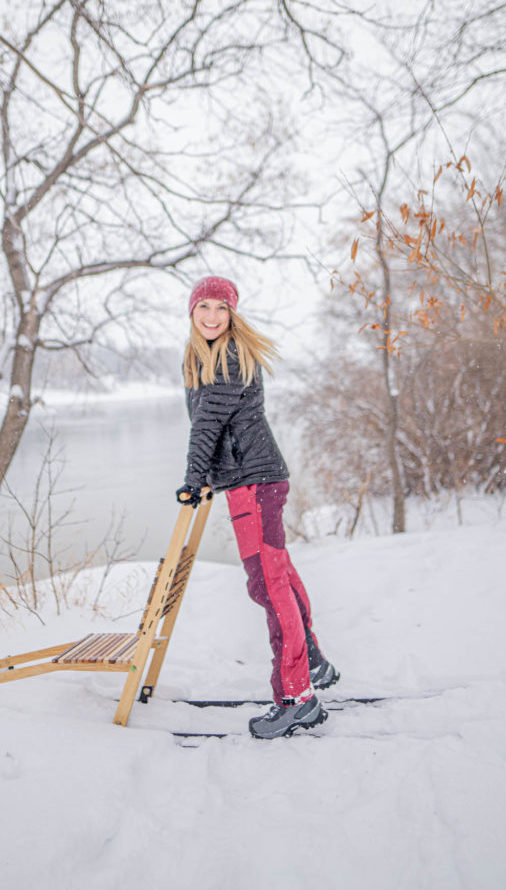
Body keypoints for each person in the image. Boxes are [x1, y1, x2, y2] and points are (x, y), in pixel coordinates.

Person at [176, 275, 339, 739]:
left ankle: (297, 697)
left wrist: (193, 480)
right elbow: (217, 425)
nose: (212, 316)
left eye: (220, 309)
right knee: (279, 576)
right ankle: (313, 661)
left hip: (254, 484)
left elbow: (207, 426)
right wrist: (208, 477)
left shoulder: (228, 356)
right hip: (255, 480)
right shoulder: (204, 355)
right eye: (204, 307)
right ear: (192, 311)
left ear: (232, 314)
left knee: (268, 586)